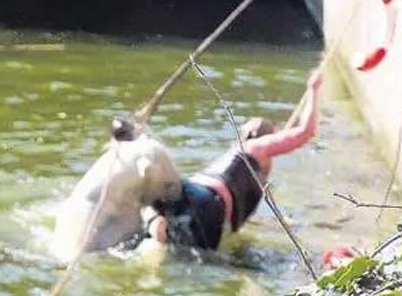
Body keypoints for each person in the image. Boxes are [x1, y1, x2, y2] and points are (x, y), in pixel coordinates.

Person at [139, 69, 324, 250]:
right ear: (267, 136)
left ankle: (156, 227)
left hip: (188, 191)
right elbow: (305, 132)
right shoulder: (256, 147)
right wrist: (313, 89)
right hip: (209, 204)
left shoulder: (233, 154)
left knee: (165, 242)